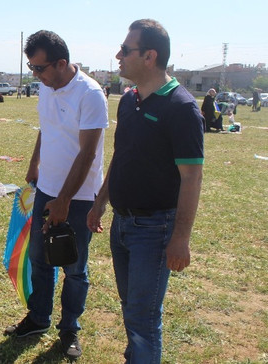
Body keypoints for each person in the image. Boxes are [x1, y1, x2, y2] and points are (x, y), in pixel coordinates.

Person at [87, 19, 204, 364]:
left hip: (154, 229)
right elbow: (121, 156)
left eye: (126, 50)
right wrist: (100, 202)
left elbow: (192, 178)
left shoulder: (181, 108)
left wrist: (181, 237)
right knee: (132, 309)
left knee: (143, 317)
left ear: (150, 56)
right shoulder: (129, 100)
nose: (118, 55)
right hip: (122, 225)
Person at [4, 30, 108, 361]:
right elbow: (46, 128)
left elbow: (88, 153)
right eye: (31, 67)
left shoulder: (90, 95)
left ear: (61, 63)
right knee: (39, 258)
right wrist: (35, 163)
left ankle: (70, 328)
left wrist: (64, 200)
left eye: (40, 68)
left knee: (74, 266)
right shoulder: (47, 87)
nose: (35, 74)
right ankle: (38, 318)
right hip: (46, 188)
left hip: (77, 198)